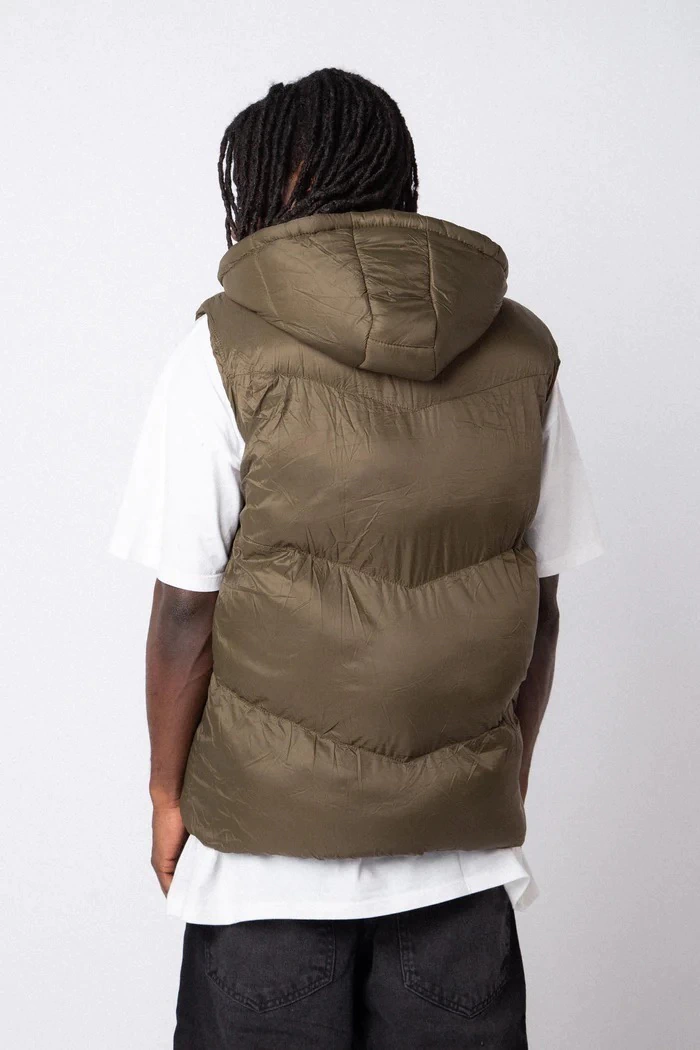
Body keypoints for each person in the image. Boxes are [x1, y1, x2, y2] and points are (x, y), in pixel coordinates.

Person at [110, 67, 603, 1049]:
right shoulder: (523, 355)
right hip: (457, 873)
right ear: (396, 180)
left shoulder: (222, 353)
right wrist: (499, 783)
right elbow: (540, 609)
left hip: (263, 876)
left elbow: (185, 612)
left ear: (261, 187)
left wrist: (166, 794)